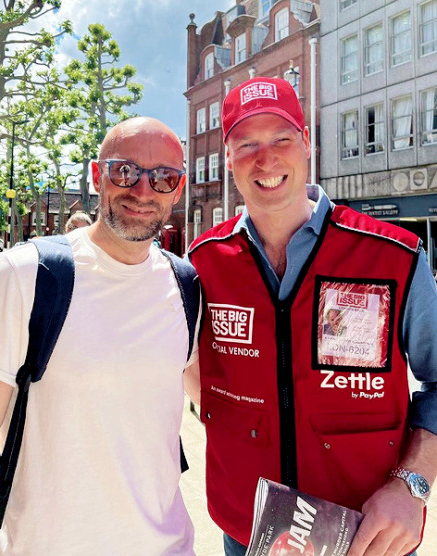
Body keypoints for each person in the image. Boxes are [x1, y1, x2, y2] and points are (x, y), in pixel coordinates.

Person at [185, 77, 437, 556]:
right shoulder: (204, 262)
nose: (266, 159)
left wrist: (412, 485)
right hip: (249, 529)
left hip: (367, 531)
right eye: (247, 144)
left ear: (307, 144)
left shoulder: (393, 257)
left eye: (281, 139)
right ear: (229, 159)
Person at [0, 117, 197, 556]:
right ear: (98, 176)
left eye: (163, 177)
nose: (143, 189)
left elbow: (229, 409)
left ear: (179, 187)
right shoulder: (26, 275)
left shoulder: (186, 285)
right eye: (125, 171)